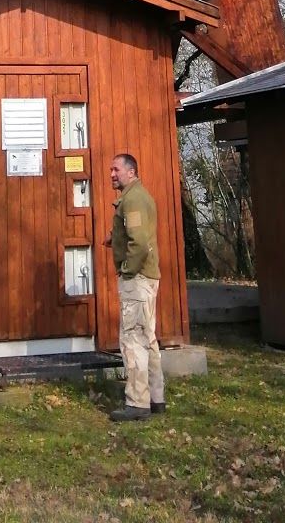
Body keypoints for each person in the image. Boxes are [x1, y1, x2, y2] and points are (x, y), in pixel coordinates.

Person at [106, 152, 165, 422]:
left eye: (116, 169)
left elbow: (139, 244)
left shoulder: (133, 199)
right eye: (111, 170)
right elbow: (134, 234)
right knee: (148, 339)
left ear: (131, 172)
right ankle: (155, 398)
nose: (112, 174)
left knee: (133, 340)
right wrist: (114, 240)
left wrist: (127, 270)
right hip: (145, 278)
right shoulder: (134, 198)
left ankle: (137, 403)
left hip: (137, 280)